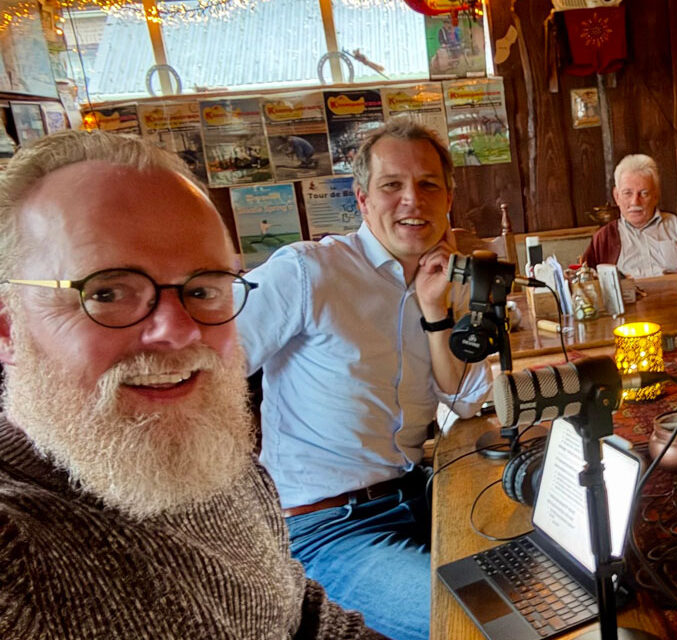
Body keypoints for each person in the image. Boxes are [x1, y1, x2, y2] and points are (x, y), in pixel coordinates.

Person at [0, 130, 382, 638]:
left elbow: (307, 620)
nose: (178, 331)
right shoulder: (14, 553)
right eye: (108, 291)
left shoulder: (211, 452)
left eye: (202, 289)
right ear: (8, 329)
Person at [236, 118, 491, 640]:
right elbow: (213, 364)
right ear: (362, 199)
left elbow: (467, 399)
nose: (411, 201)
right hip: (326, 528)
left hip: (421, 495)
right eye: (391, 185)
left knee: (555, 576)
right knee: (479, 625)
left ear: (448, 199)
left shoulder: (448, 278)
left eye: (428, 185)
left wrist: (435, 310)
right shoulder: (308, 272)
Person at [581, 153, 677, 278]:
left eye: (644, 193)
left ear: (656, 195)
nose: (635, 201)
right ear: (616, 196)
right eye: (627, 193)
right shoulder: (603, 238)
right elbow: (588, 280)